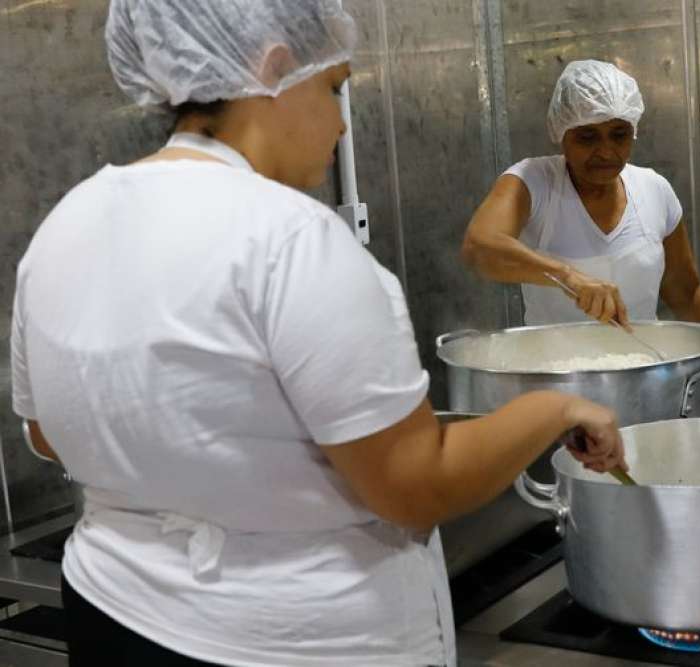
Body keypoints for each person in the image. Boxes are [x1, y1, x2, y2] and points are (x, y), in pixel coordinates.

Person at [10, 3, 626, 665]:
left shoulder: (68, 223)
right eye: (333, 88)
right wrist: (554, 407)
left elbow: (47, 431)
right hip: (290, 641)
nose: (339, 122)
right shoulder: (293, 241)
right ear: (272, 68)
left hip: (113, 613)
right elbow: (413, 485)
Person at [462, 59, 700, 414]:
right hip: (556, 389)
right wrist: (568, 276)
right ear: (561, 132)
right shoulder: (534, 182)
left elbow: (685, 290)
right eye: (587, 136)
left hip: (647, 384)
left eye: (619, 134)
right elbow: (480, 248)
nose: (606, 151)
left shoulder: (653, 190)